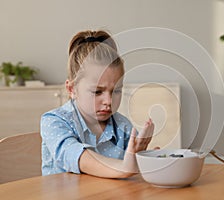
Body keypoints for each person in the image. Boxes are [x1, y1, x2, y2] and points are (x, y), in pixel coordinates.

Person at [40, 30, 154, 178]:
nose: (109, 101)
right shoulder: (53, 121)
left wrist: (147, 160)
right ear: (71, 89)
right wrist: (124, 167)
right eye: (97, 92)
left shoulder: (123, 126)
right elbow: (77, 157)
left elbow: (135, 170)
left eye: (116, 91)